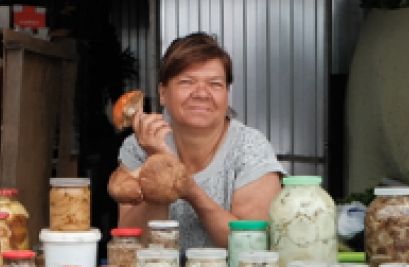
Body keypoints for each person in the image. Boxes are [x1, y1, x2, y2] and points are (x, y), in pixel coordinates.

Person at [113, 34, 284, 251]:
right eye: (186, 82)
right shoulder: (139, 146)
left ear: (227, 94)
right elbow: (133, 244)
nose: (202, 94)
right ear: (163, 93)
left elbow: (252, 247)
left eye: (215, 84)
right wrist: (159, 165)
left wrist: (190, 189)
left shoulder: (250, 148)